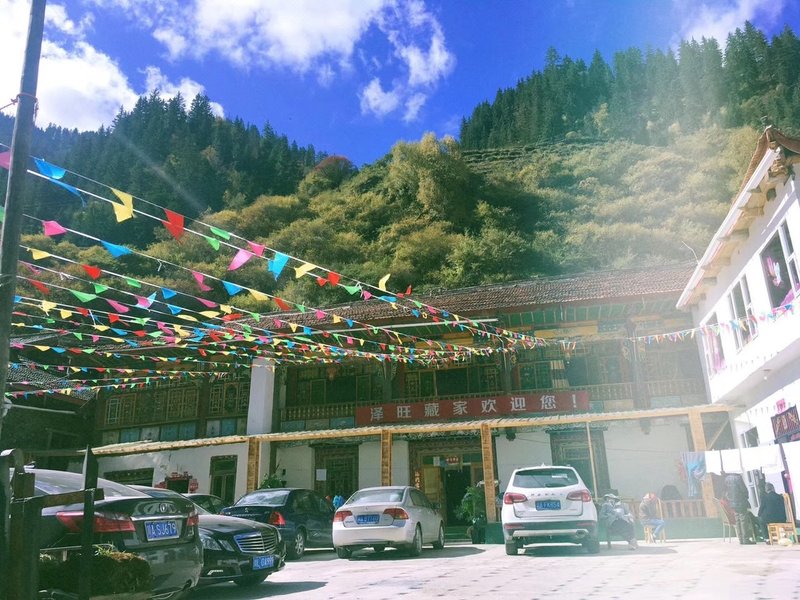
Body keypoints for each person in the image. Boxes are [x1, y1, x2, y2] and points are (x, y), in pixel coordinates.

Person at [723, 472, 756, 544]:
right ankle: (745, 539)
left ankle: (740, 539)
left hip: (732, 502)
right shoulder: (738, 477)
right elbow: (744, 489)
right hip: (740, 501)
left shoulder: (727, 478)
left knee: (737, 519)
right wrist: (746, 497)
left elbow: (726, 491)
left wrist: (730, 499)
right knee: (743, 519)